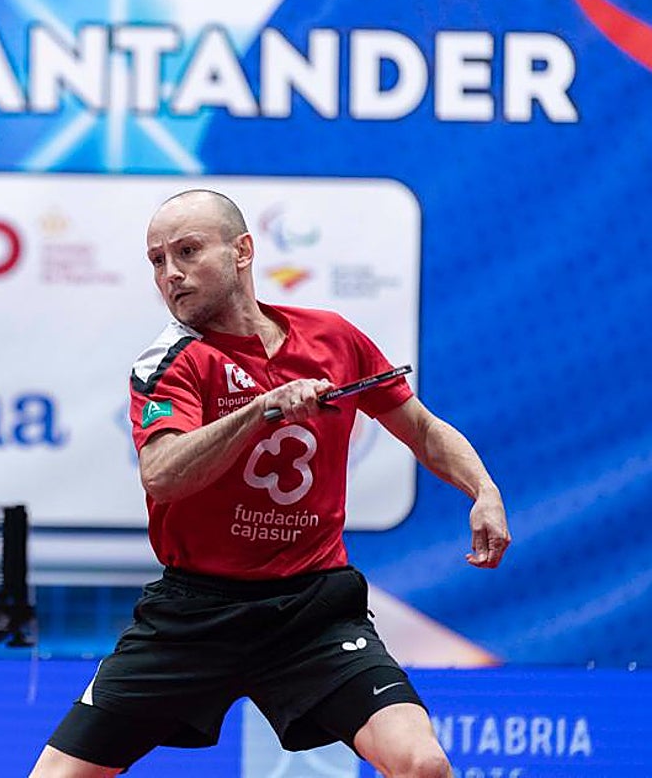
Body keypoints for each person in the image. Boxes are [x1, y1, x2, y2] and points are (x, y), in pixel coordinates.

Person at [29, 189, 511, 778]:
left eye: (187, 252)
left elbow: (421, 428)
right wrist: (262, 410)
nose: (171, 274)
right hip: (195, 614)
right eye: (157, 261)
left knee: (423, 763)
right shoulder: (172, 362)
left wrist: (483, 490)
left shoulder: (333, 338)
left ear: (242, 252)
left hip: (313, 610)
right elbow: (163, 475)